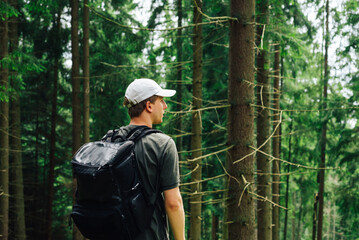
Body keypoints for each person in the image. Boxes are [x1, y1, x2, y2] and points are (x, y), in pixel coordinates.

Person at [119, 78, 185, 240]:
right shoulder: (162, 144)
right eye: (161, 101)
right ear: (149, 106)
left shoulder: (110, 140)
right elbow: (173, 203)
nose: (165, 106)